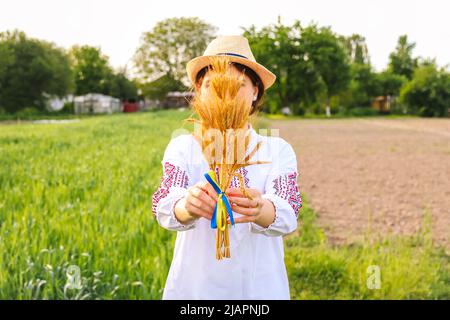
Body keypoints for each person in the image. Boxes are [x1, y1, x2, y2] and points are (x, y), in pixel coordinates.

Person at [151, 35, 302, 299]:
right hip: (195, 290)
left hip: (258, 289)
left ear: (255, 92)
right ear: (198, 90)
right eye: (212, 85)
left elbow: (289, 212)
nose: (225, 94)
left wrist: (260, 208)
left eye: (238, 84)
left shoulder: (277, 149)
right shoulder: (183, 147)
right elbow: (164, 203)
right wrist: (187, 205)